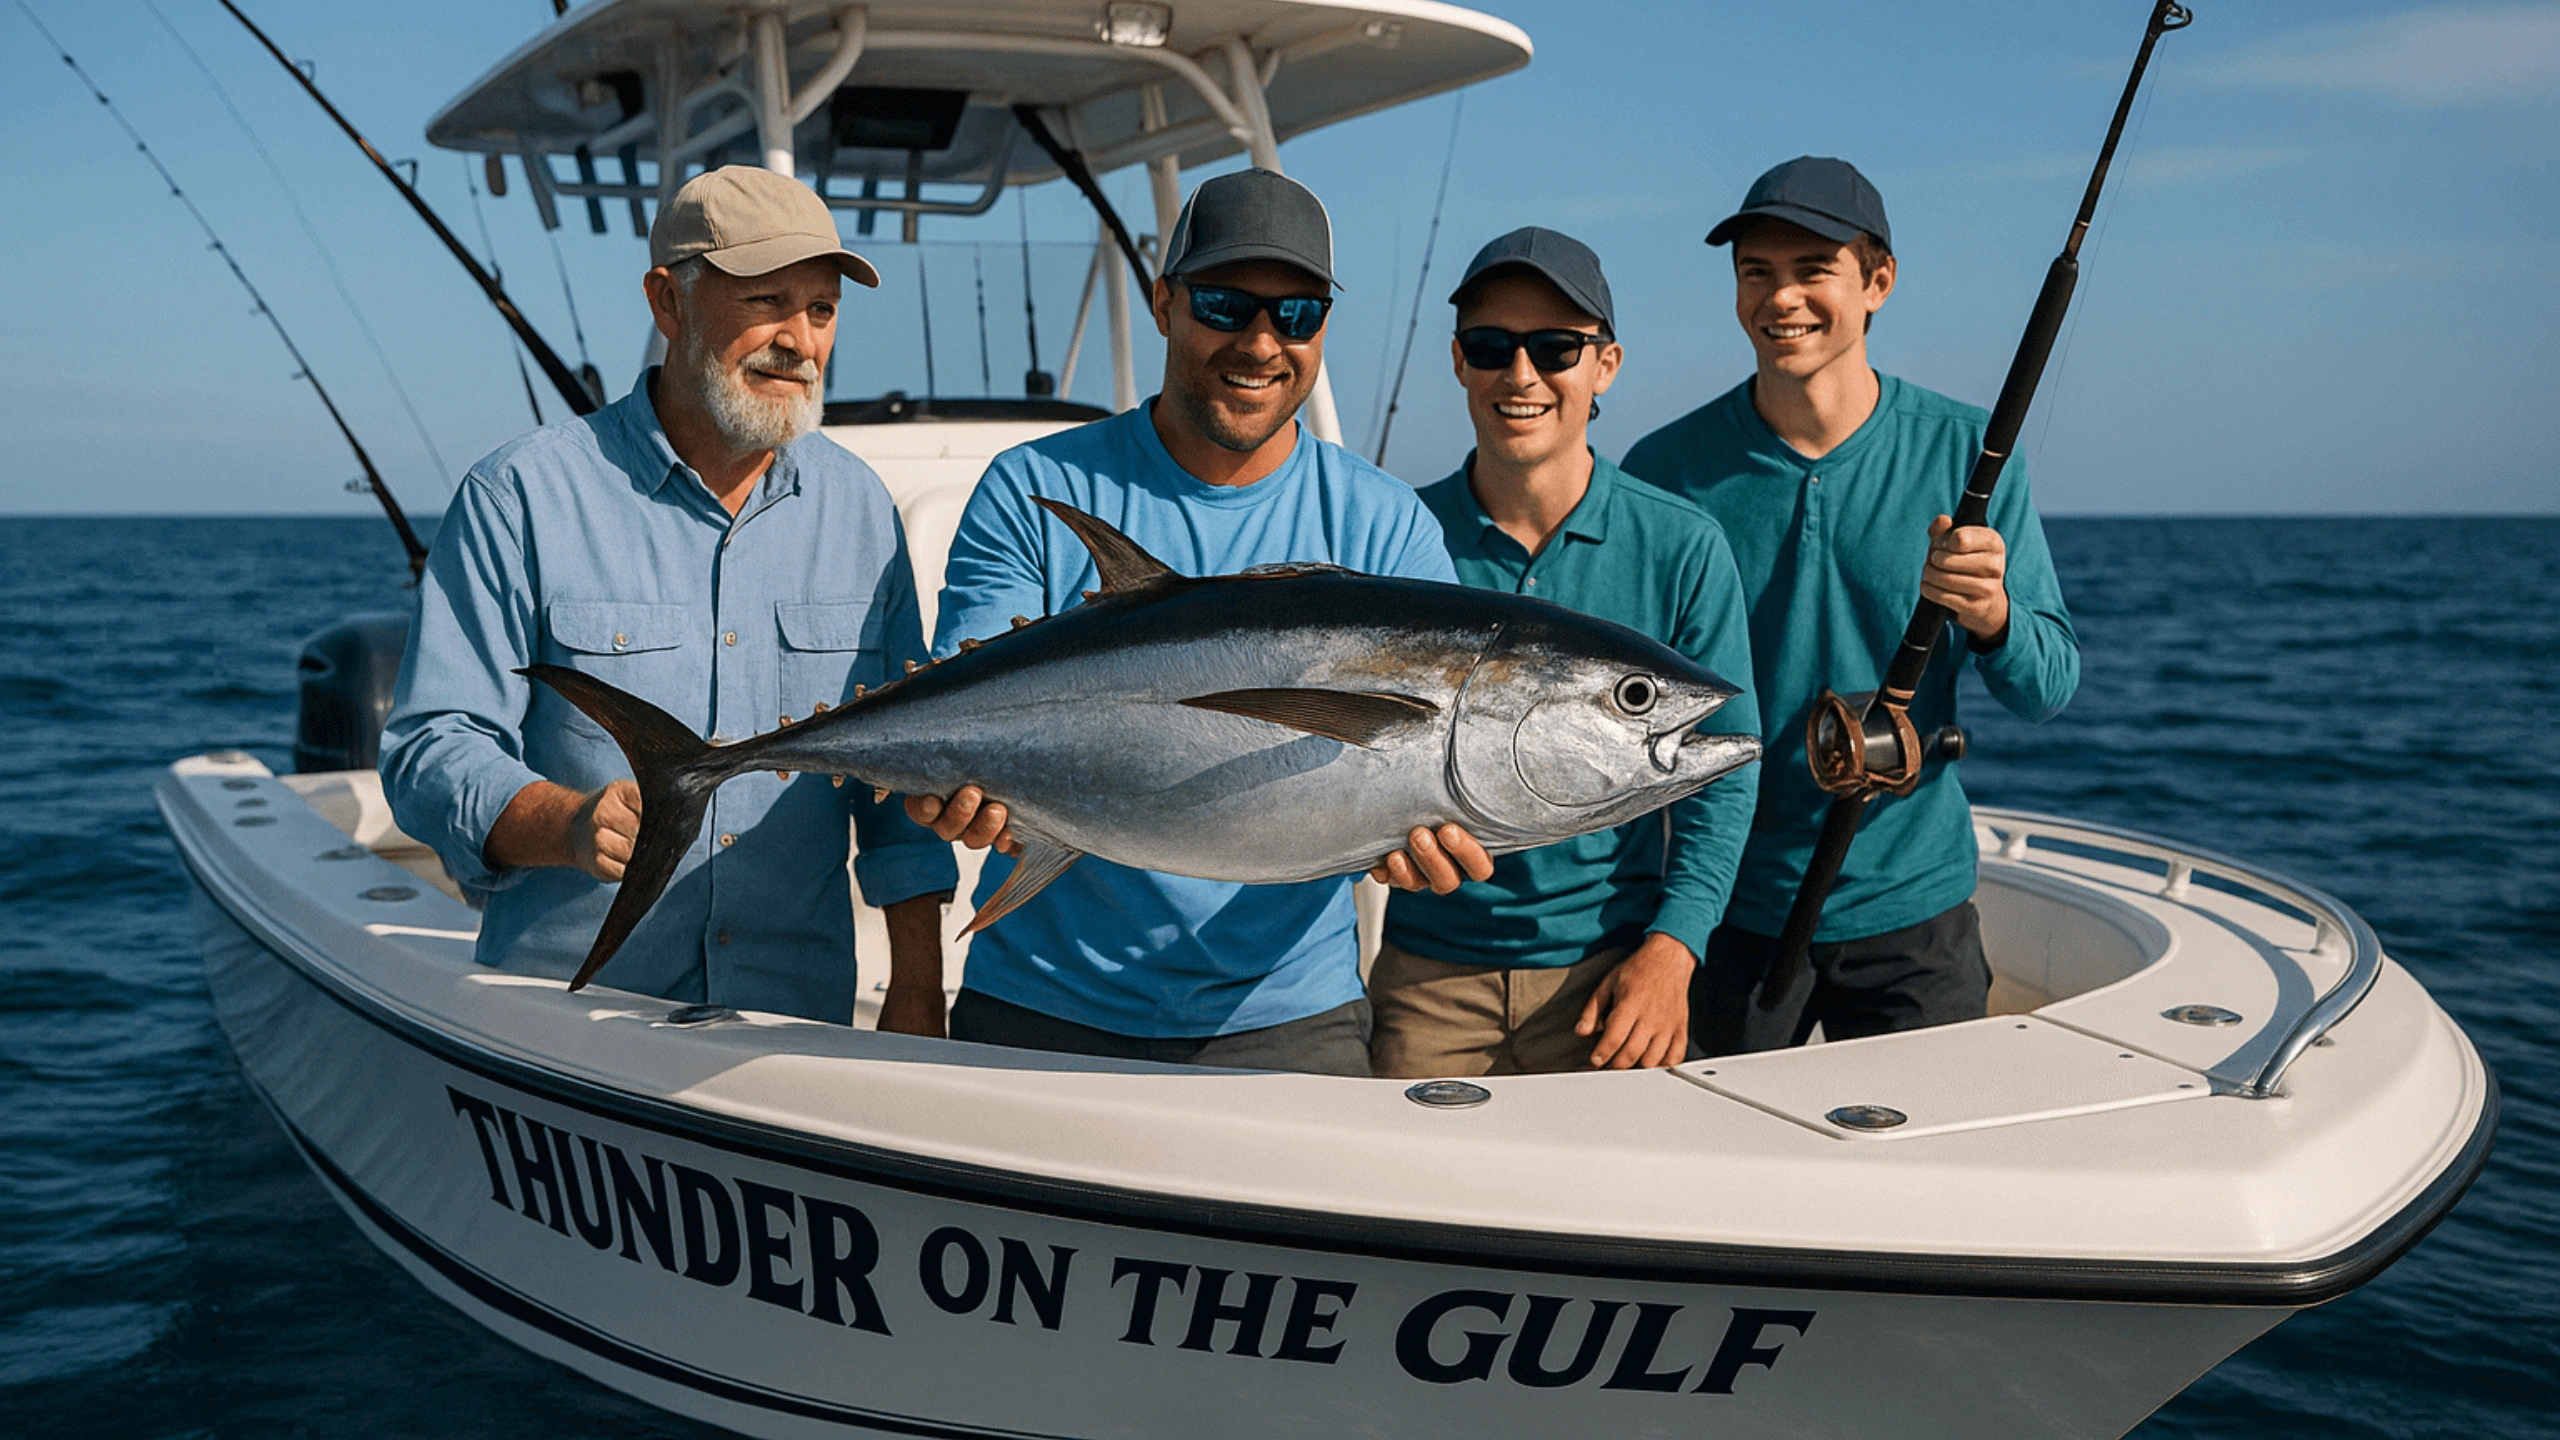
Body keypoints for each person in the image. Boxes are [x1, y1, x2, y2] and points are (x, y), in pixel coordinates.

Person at [905, 168, 1493, 1076]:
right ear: (1163, 303)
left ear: (1323, 328)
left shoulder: (1384, 525)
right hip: (1040, 1003)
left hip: (1291, 1018)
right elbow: (964, 706)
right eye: (1224, 305)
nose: (1260, 343)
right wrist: (955, 789)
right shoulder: (1031, 488)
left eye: (1295, 314)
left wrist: (1424, 842)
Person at [381, 166, 957, 1029]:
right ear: (667, 302)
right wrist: (568, 823)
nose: (799, 340)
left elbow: (900, 772)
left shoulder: (861, 509)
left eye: (822, 309)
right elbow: (430, 747)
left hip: (792, 1030)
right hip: (567, 1029)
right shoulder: (519, 495)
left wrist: (917, 988)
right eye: (766, 301)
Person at [1621, 156, 2080, 1055]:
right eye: (1756, 272)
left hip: (1916, 909)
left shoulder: (1970, 450)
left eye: (1812, 270)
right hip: (1728, 908)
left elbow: (2048, 686)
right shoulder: (1666, 470)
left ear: (1878, 282)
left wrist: (1993, 617)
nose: (1780, 298)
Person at [1367, 228, 1759, 1077]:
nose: (1521, 374)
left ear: (1605, 365)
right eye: (1490, 346)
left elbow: (1722, 780)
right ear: (1459, 361)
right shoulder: (1397, 536)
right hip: (1425, 976)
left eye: (1555, 349)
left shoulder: (1682, 544)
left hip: (1614, 974)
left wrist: (1674, 951)